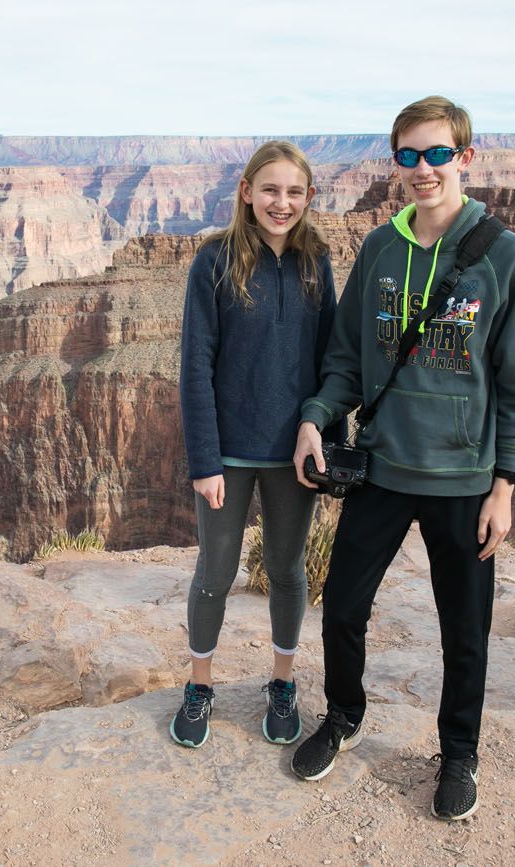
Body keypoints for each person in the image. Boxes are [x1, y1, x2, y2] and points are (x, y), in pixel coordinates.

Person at [289, 97, 515, 821]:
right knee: (342, 605)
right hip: (383, 466)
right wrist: (316, 418)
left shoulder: (506, 257)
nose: (423, 169)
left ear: (466, 156)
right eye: (408, 156)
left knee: (465, 629)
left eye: (438, 154)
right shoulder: (378, 249)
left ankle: (458, 751)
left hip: (464, 480)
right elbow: (345, 358)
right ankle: (344, 714)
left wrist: (507, 485)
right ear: (395, 162)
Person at [172, 140, 340, 749]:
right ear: (246, 191)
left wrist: (325, 439)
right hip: (230, 456)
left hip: (294, 454)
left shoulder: (315, 261)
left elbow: (330, 359)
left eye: (294, 192)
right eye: (270, 189)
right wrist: (205, 461)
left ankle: (283, 682)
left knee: (289, 572)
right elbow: (196, 366)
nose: (281, 202)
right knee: (215, 572)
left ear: (309, 198)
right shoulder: (213, 262)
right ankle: (199, 686)